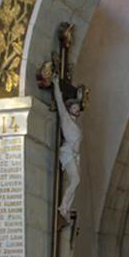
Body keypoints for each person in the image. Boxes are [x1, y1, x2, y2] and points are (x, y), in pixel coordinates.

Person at [53, 76, 82, 223]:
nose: (77, 110)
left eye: (78, 108)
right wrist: (56, 84)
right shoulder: (66, 118)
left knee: (76, 180)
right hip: (67, 153)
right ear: (70, 109)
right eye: (74, 107)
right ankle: (63, 207)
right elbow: (59, 100)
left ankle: (67, 208)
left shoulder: (75, 124)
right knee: (76, 180)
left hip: (74, 155)